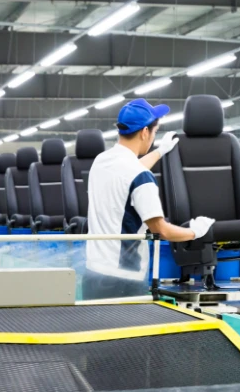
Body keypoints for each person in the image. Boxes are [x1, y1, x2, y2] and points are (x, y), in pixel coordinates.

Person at [83, 98, 214, 300]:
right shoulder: (141, 177)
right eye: (154, 132)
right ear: (145, 132)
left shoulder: (101, 161)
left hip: (92, 271)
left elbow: (128, 173)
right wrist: (195, 231)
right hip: (123, 278)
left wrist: (160, 152)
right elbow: (161, 230)